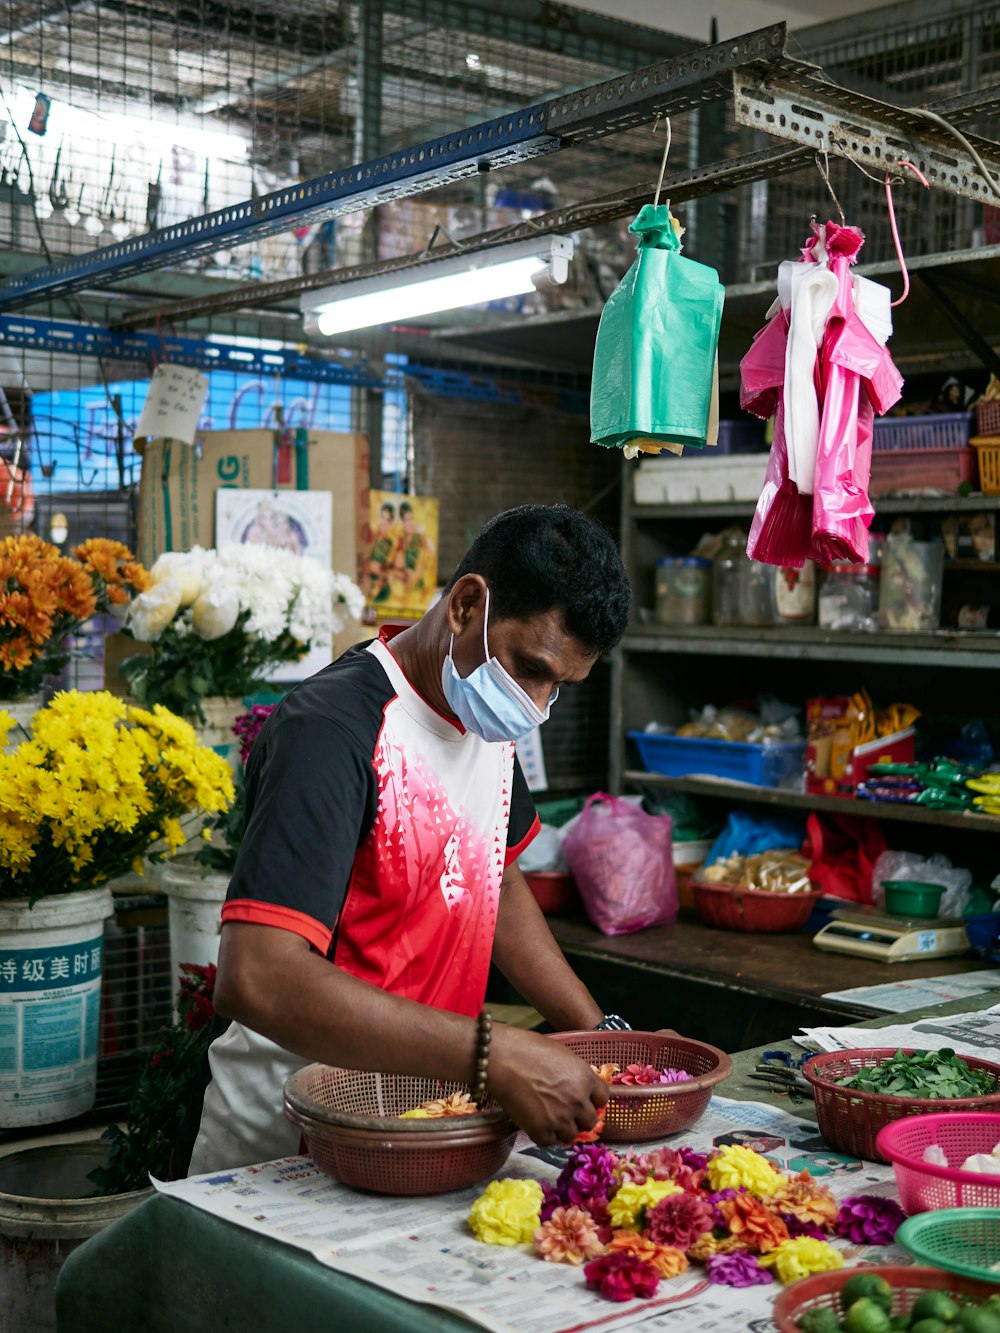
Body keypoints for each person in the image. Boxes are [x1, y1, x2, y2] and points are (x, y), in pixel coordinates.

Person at [183, 504, 632, 1174]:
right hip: (290, 1148)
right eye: (531, 667)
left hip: (421, 1126)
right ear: (466, 605)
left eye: (558, 688)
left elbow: (494, 883)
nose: (535, 704)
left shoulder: (485, 719)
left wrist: (603, 1043)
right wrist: (492, 1051)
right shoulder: (330, 730)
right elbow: (258, 976)